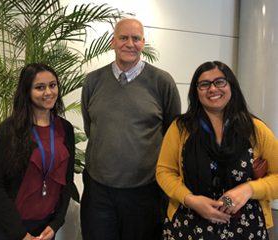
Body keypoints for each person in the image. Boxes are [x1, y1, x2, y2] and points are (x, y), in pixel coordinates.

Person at [80, 18, 181, 240]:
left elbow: (173, 135)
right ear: (112, 42)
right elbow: (92, 128)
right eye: (123, 38)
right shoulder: (93, 81)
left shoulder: (162, 82)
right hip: (99, 191)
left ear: (143, 43)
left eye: (136, 38)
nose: (130, 43)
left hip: (145, 191)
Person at [156, 61, 278, 240]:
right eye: (204, 84)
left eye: (220, 82)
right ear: (196, 92)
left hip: (245, 228)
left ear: (231, 86)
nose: (213, 89)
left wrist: (249, 189)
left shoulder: (256, 129)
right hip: (189, 225)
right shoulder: (180, 128)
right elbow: (164, 171)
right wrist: (190, 199)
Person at [0, 63, 75, 240]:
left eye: (52, 85)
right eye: (40, 87)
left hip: (43, 230)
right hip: (5, 229)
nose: (48, 92)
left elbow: (67, 181)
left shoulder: (65, 129)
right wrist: (21, 234)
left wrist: (55, 224)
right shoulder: (10, 129)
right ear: (27, 91)